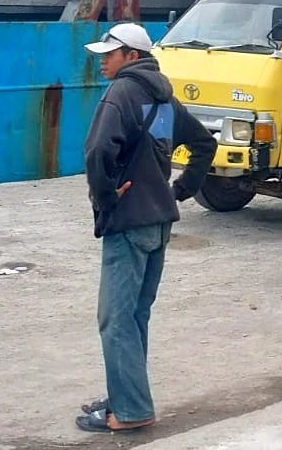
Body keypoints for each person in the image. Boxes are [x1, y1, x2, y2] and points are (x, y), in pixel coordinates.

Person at [75, 23, 217, 434]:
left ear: (131, 56)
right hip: (159, 221)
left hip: (130, 220)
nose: (103, 60)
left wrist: (105, 197)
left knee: (115, 319)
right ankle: (126, 395)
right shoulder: (164, 95)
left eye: (110, 53)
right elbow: (205, 143)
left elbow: (98, 150)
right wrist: (182, 189)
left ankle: (133, 411)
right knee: (135, 316)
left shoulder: (121, 91)